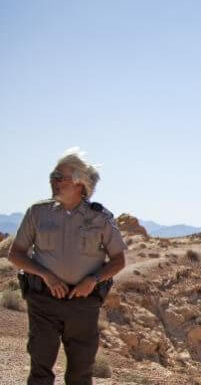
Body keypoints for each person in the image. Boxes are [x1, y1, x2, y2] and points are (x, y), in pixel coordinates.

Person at [8, 148, 127, 385]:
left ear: (80, 184)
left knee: (80, 372)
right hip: (43, 301)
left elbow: (119, 261)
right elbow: (16, 254)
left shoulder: (101, 218)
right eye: (53, 175)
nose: (54, 181)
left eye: (60, 177)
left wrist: (93, 279)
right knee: (40, 368)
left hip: (84, 305)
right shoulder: (37, 213)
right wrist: (45, 274)